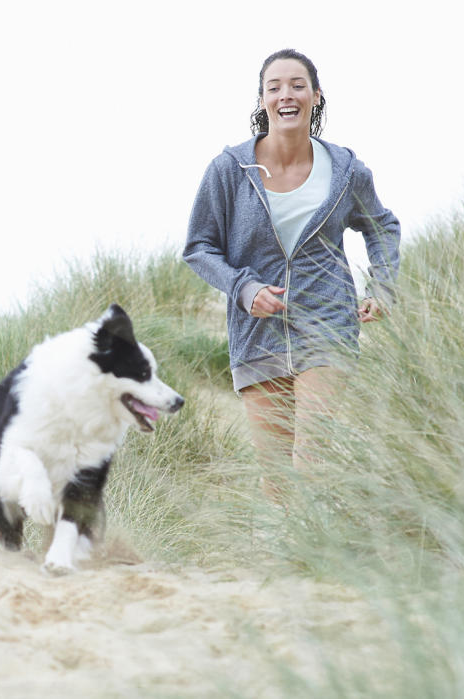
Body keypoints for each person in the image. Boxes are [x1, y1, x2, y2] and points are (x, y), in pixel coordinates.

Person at [183, 48, 400, 500]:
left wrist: (382, 285)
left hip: (327, 323)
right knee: (276, 475)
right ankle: (282, 562)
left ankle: (314, 560)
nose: (287, 94)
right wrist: (244, 289)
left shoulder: (345, 171)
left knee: (312, 458)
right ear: (262, 100)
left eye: (298, 85)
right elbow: (198, 248)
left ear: (316, 97)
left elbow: (381, 225)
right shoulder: (230, 170)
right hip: (256, 332)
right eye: (274, 87)